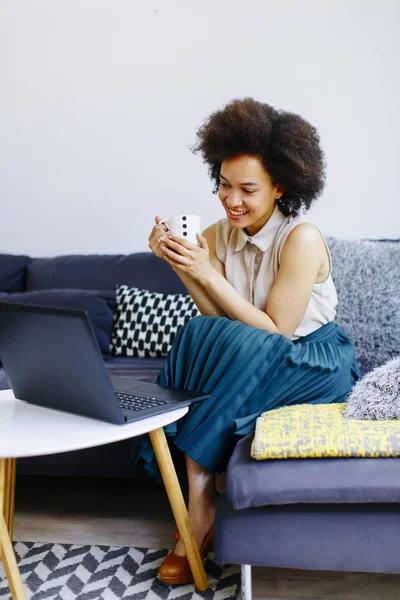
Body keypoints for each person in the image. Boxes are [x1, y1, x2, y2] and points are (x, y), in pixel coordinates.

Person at [146, 97, 360, 584]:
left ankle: (196, 515)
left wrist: (208, 273)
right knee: (202, 332)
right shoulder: (222, 234)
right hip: (254, 354)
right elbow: (220, 320)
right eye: (223, 186)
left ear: (280, 186)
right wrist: (184, 267)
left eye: (247, 190)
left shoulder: (301, 238)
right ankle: (202, 499)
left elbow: (276, 332)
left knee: (237, 343)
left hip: (315, 362)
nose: (231, 200)